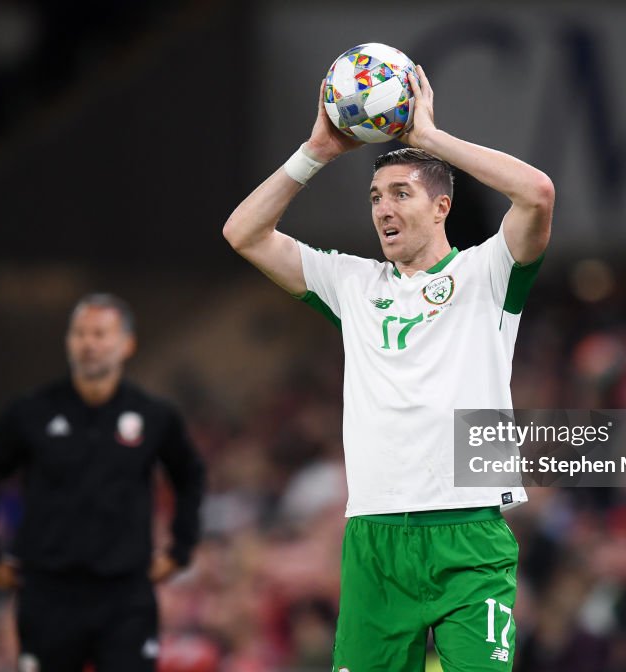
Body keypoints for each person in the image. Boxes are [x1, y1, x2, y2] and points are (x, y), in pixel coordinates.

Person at [223, 64, 554, 671]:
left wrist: (429, 139)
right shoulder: (351, 283)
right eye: (376, 196)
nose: (383, 208)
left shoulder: (486, 273)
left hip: (468, 533)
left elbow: (536, 193)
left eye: (401, 193)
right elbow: (243, 232)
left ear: (442, 206)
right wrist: (315, 152)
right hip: (374, 536)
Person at [0, 293, 206, 672]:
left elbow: (190, 474)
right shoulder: (31, 411)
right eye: (80, 333)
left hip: (125, 595)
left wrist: (180, 550)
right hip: (48, 594)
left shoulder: (153, 415)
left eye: (100, 334)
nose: (89, 344)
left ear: (127, 344)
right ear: (68, 342)